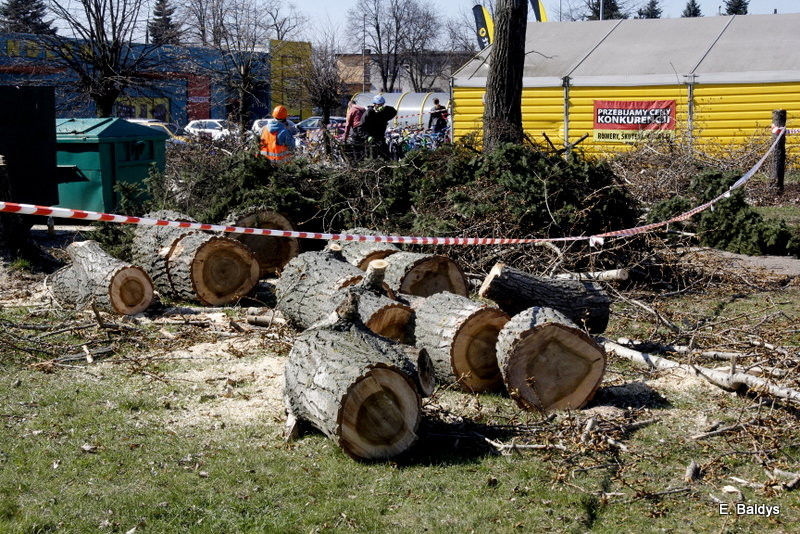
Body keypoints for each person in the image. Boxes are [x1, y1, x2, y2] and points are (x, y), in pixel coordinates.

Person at [358, 95, 397, 159]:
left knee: (386, 157)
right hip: (370, 141)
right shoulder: (368, 113)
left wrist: (385, 108)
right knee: (372, 158)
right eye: (379, 105)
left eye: (382, 104)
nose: (381, 106)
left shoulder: (383, 112)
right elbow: (360, 128)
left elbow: (394, 112)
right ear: (374, 104)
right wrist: (367, 136)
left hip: (381, 138)